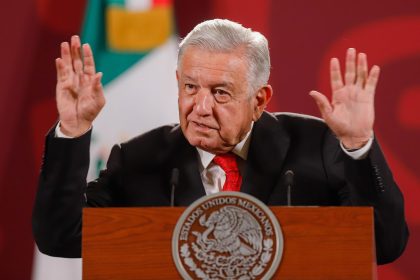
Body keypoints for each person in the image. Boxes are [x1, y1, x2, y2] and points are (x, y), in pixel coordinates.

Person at [32, 19, 408, 264]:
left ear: (259, 100)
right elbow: (60, 237)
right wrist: (73, 129)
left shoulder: (318, 147)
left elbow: (385, 244)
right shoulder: (138, 160)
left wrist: (358, 145)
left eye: (221, 93)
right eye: (190, 88)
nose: (200, 107)